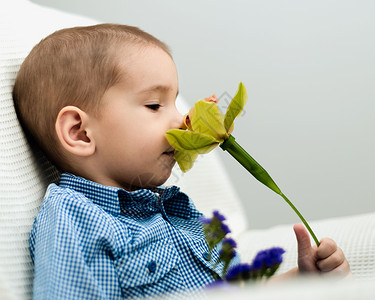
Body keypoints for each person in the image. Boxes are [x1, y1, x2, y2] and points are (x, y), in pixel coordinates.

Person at [12, 24, 351, 299]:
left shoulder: (178, 210)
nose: (181, 121)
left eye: (175, 103)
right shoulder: (76, 220)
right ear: (80, 133)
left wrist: (303, 281)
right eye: (155, 106)